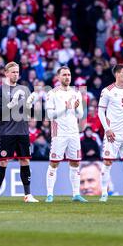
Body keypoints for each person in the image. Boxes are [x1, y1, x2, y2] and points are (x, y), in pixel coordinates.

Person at [0, 61, 38, 203]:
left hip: (22, 131)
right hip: (6, 132)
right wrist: (11, 105)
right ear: (6, 73)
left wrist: (30, 105)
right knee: (3, 162)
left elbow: (30, 114)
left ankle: (28, 195)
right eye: (13, 72)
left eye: (17, 72)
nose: (16, 74)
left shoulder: (24, 89)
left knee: (25, 161)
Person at [44, 66, 86, 203]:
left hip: (73, 132)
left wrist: (76, 108)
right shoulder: (52, 93)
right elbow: (50, 115)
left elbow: (80, 114)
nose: (67, 77)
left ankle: (76, 194)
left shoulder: (76, 93)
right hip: (59, 133)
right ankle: (50, 194)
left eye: (69, 74)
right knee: (54, 163)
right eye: (64, 75)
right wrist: (65, 108)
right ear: (58, 77)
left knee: (75, 163)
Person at [98, 63, 123, 202]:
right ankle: (104, 193)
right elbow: (100, 111)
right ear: (117, 74)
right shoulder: (107, 91)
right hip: (113, 134)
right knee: (107, 162)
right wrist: (107, 129)